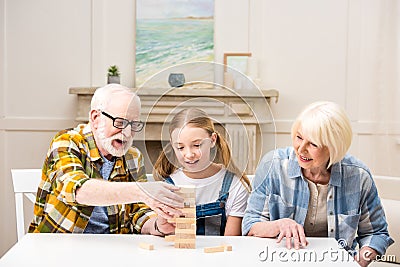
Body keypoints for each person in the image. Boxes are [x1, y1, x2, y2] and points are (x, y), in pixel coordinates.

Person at [242, 101, 394, 266]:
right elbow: (251, 226)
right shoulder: (273, 165)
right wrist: (280, 224)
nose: (301, 149)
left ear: (333, 147)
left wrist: (356, 263)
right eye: (299, 137)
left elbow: (376, 234)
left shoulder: (358, 176)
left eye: (313, 144)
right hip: (278, 261)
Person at [29, 84, 184, 236]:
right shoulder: (67, 142)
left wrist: (157, 225)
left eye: (134, 124)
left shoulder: (133, 156)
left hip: (113, 248)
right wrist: (142, 191)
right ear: (95, 118)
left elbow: (138, 212)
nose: (128, 132)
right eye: (121, 122)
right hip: (58, 247)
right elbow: (77, 190)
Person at [153, 108, 251, 236]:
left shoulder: (235, 185)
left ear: (213, 140)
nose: (189, 154)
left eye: (197, 145)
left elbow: (231, 242)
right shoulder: (168, 186)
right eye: (180, 147)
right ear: (172, 145)